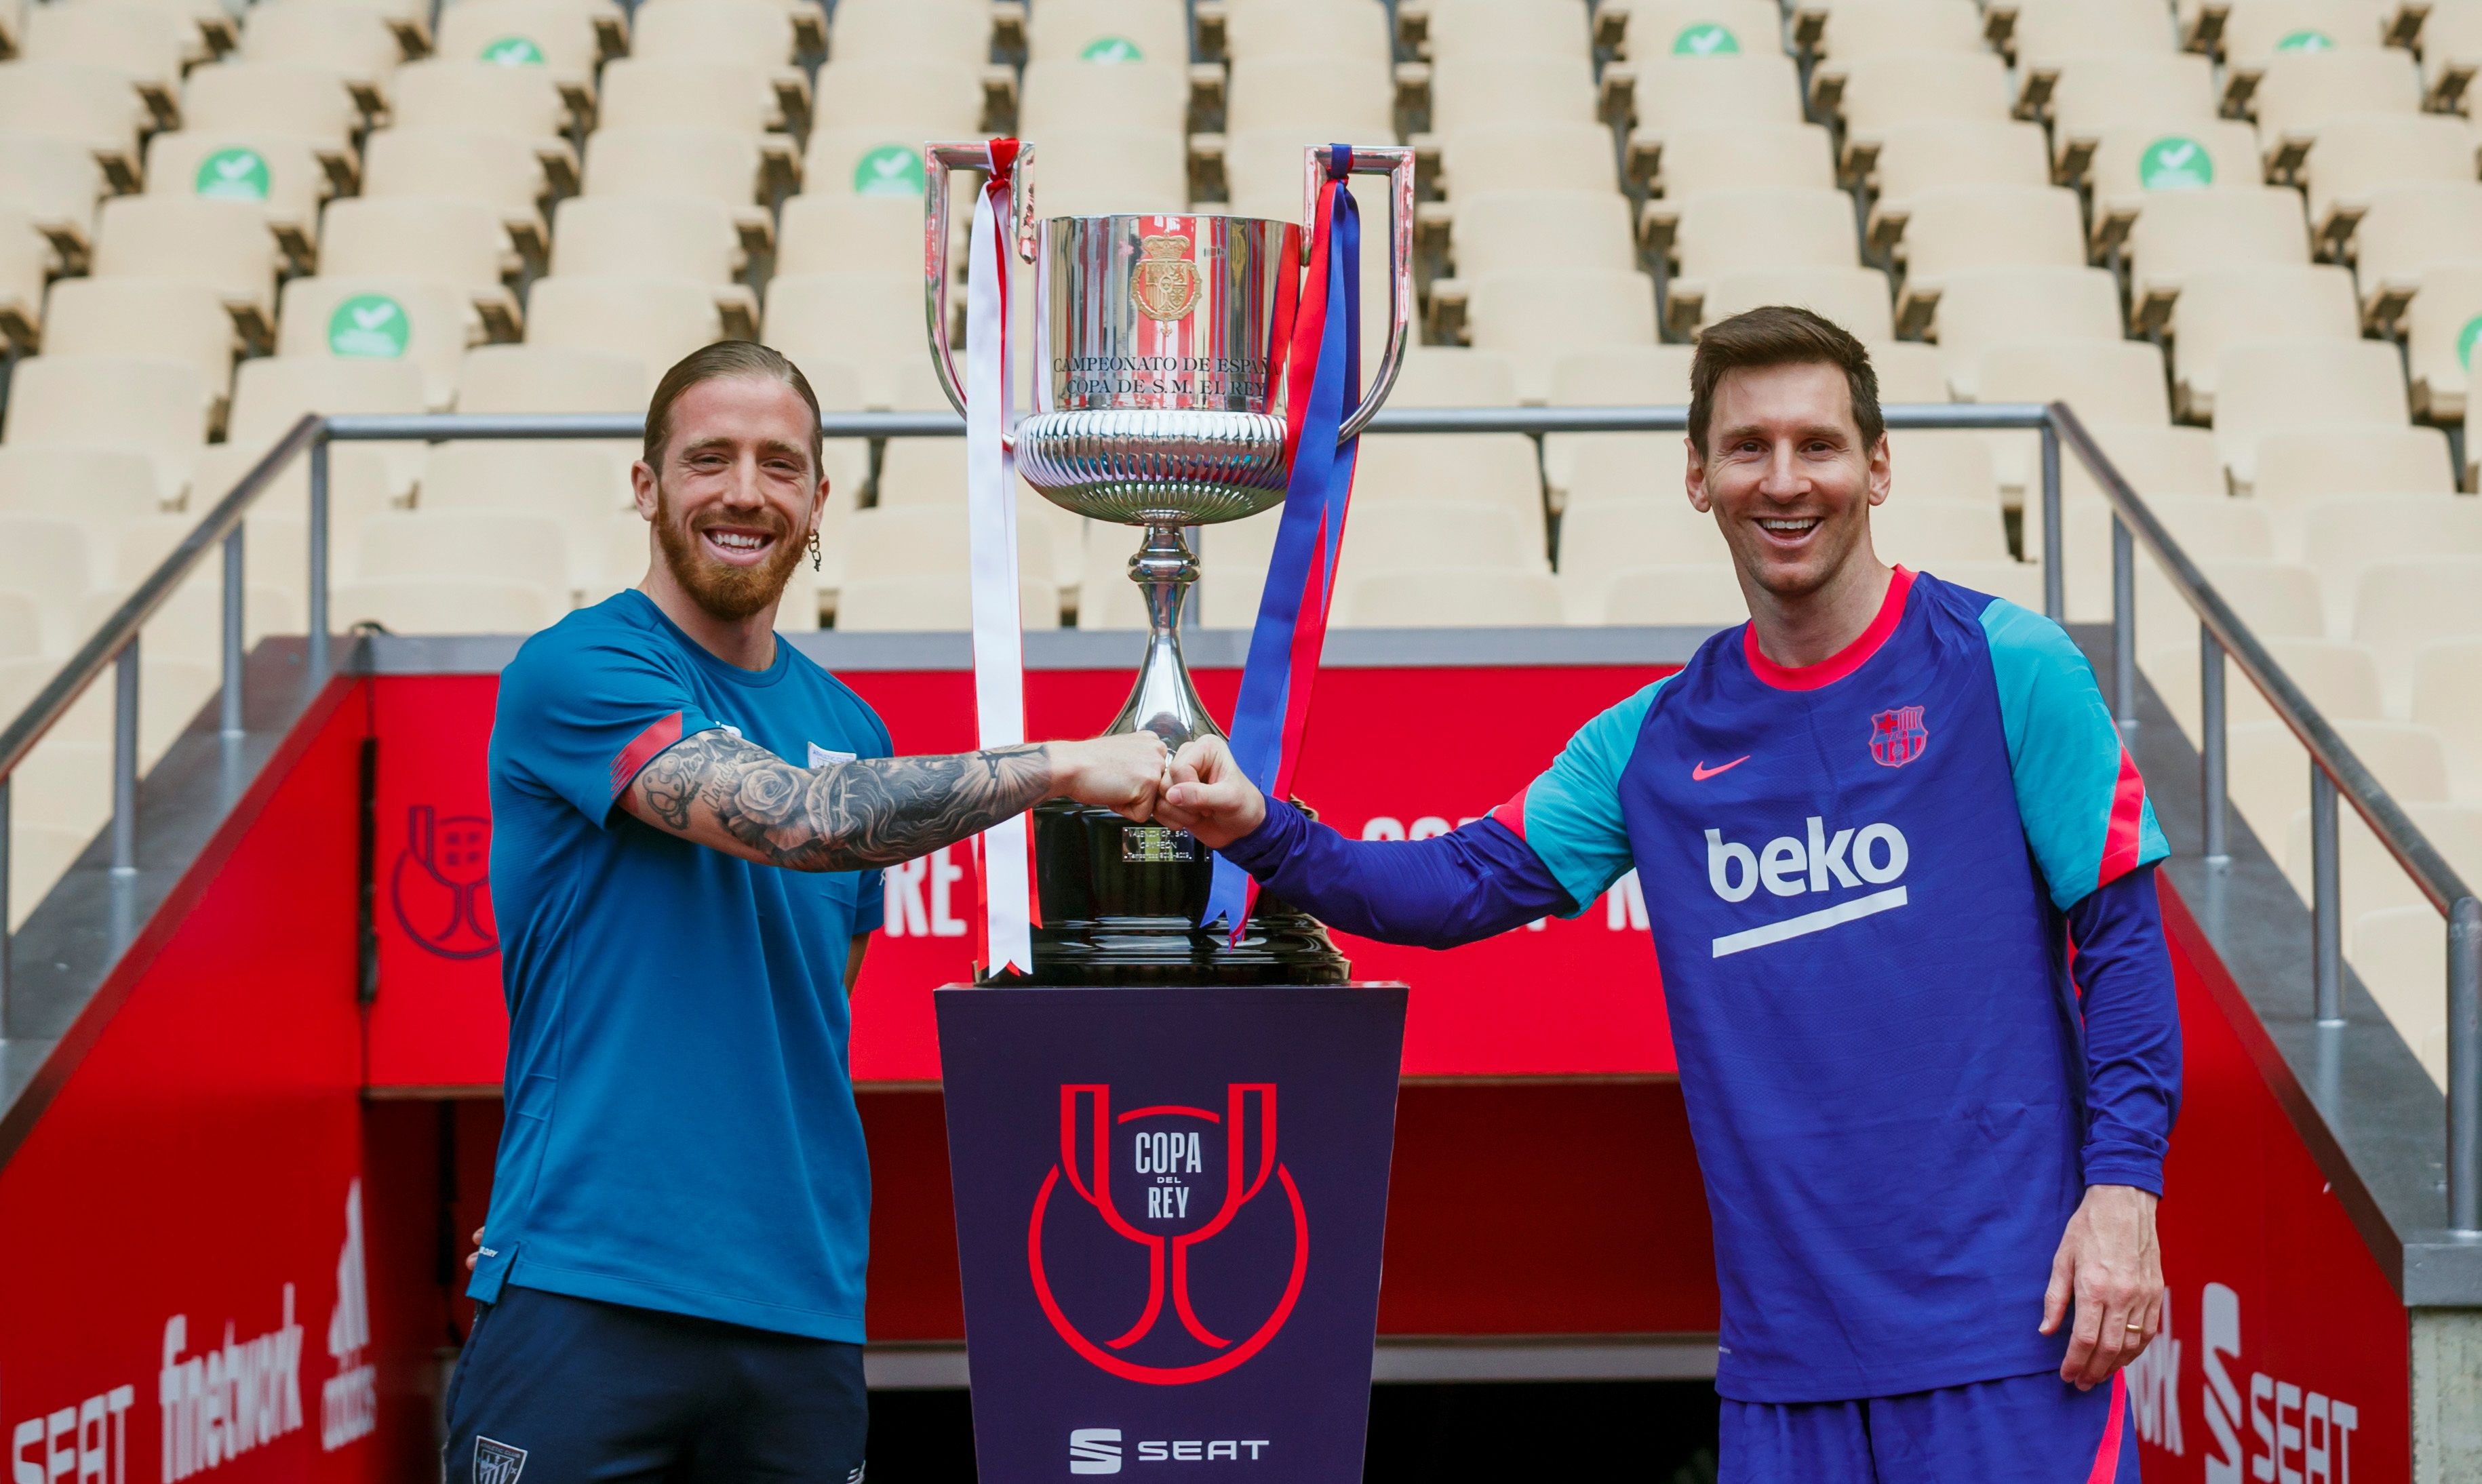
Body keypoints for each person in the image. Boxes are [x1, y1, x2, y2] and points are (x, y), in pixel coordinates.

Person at [1158, 306, 2179, 1483]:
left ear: (1879, 466)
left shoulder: (2011, 665)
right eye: (1748, 447)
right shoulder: (1654, 743)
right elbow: (1456, 884)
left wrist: (2124, 1193)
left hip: (2016, 1343)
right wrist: (1260, 827)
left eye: (1819, 445)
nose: (1785, 481)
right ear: (1697, 477)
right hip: (1786, 1373)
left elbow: (2125, 957)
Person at [444, 342, 1168, 1483]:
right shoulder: (578, 667)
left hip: (801, 1304)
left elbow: (816, 998)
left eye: (780, 465)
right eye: (709, 458)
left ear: (820, 502)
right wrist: (1065, 766)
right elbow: (800, 818)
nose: (744, 491)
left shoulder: (854, 722)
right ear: (646, 486)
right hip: (587, 1284)